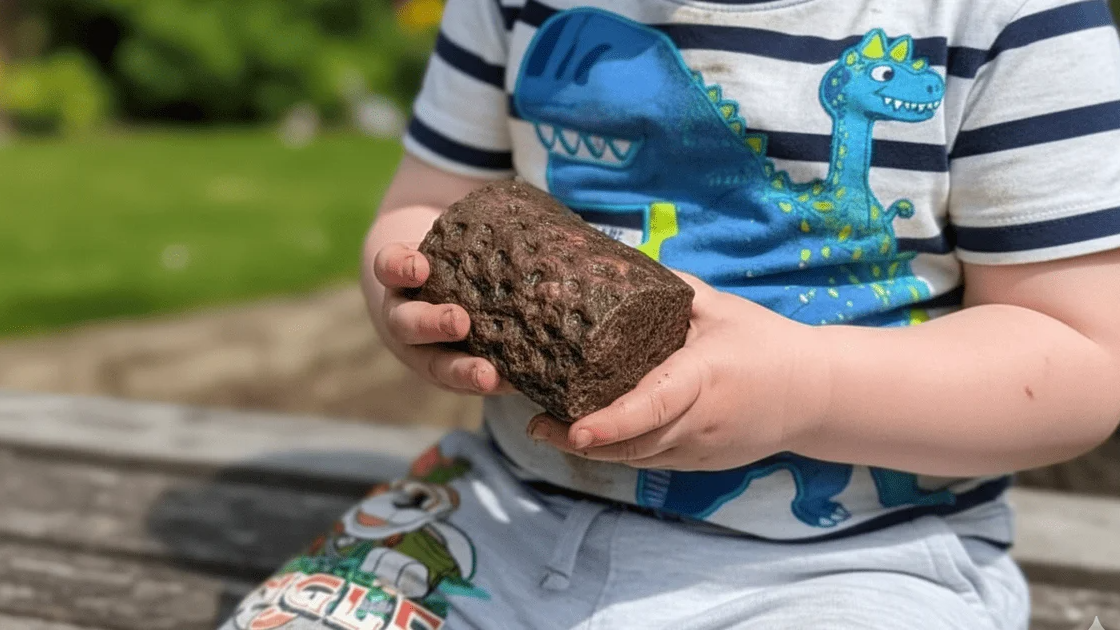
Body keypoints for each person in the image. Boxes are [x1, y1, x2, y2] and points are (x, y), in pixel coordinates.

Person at [220, 1, 1120, 628]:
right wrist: (409, 295)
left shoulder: (1011, 20)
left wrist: (806, 388)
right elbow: (427, 204)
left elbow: (1080, 355)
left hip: (843, 567)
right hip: (504, 516)